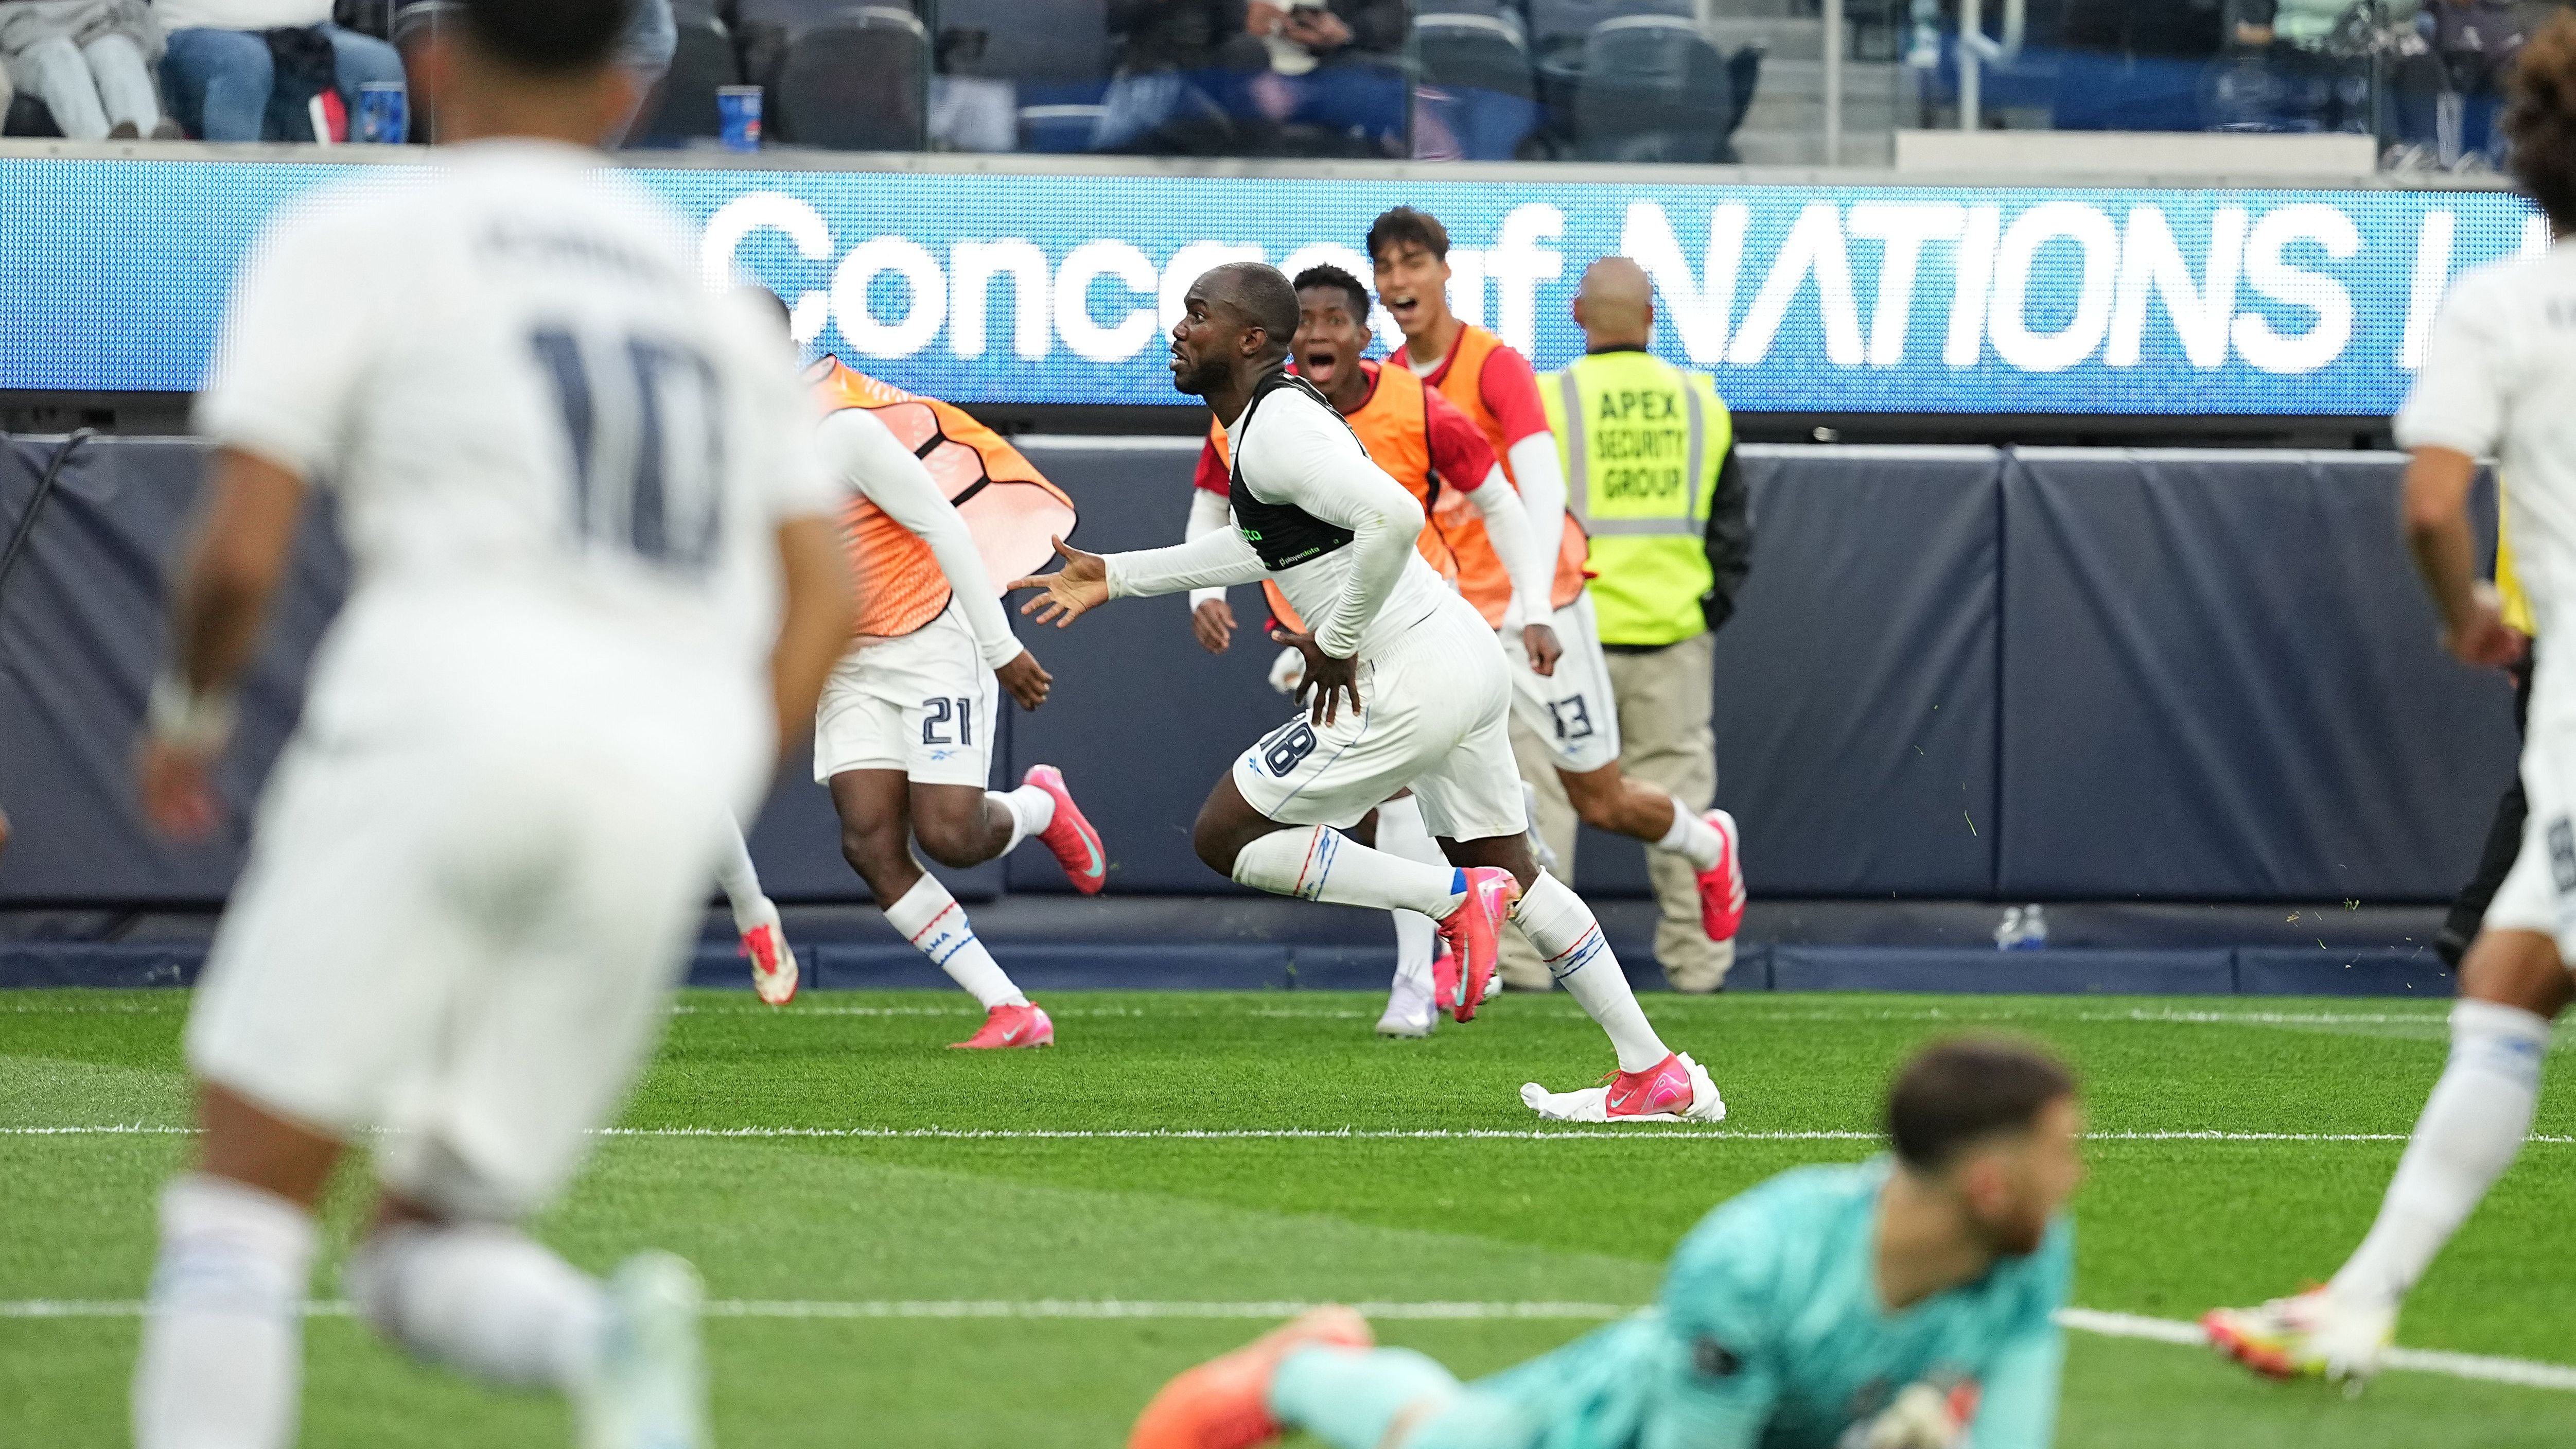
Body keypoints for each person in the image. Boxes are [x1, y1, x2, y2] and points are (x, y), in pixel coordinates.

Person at [124, 6, 853, 1449]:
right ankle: (601, 1340)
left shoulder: (361, 233)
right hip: (655, 769)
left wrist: (189, 714)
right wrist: (707, 764)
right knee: (426, 1242)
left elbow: (238, 556)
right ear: (629, 90)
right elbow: (821, 593)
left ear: (434, 61)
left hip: (447, 710)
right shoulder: (709, 296)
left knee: (241, 1212)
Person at [1015, 260, 1722, 1123]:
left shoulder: (1275, 427)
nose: (1178, 330)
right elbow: (1269, 549)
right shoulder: (1272, 422)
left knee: (1226, 835)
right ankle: (1652, 1070)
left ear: (1248, 340)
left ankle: (1452, 902)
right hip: (1460, 654)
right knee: (1514, 867)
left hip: (1411, 670)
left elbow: (1397, 517)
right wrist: (1120, 577)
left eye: (1196, 315)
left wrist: (1336, 639)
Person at [2202, 13, 2576, 1388]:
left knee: (2511, 984)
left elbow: (2429, 505)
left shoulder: (2501, 303)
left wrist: (2462, 613)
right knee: (2506, 976)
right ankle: (2361, 1293)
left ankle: (2360, 1295)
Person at [1131, 1035, 2081, 1449]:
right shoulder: (1756, 1261)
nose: (2074, 1177)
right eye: (2060, 1153)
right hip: (1611, 1425)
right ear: (1988, 1184)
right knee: (1441, 1440)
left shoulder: (2031, 1249)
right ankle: (1304, 1367)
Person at [1374, 206, 1748, 994]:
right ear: (1652, 317)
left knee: (1592, 798)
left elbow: (1536, 491)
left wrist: (1538, 600)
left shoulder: (1527, 380)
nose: (1400, 281)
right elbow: (1733, 526)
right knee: (1476, 793)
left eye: (1414, 263)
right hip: (1618, 623)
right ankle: (1651, 967)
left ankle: (1704, 852)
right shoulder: (1700, 400)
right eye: (1387, 267)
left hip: (1553, 612)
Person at [1189, 263, 1551, 1038]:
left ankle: (1418, 973)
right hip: (1336, 635)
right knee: (1497, 858)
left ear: (1364, 335)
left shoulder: (1412, 406)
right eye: (1308, 319)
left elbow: (1475, 502)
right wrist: (1179, 588)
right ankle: (1645, 1057)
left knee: (1290, 822)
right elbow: (1226, 518)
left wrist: (1537, 604)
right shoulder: (1258, 418)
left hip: (1402, 637)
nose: (1320, 332)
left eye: (1335, 319)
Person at [781, 348, 1105, 1047]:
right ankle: (1011, 1007)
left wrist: (1002, 649)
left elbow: (943, 525)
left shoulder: (840, 430)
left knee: (951, 836)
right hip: (848, 658)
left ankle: (1040, 805)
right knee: (869, 840)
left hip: (929, 639)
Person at [157, 0, 406, 141]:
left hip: (310, 29)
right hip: (198, 30)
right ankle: (235, 206)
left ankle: (374, 201)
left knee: (381, 66)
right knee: (245, 64)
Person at [0, 0, 181, 141]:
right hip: (26, 30)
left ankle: (150, 147)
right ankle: (100, 152)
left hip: (99, 22)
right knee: (60, 57)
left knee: (115, 50)